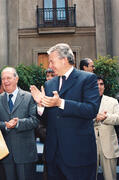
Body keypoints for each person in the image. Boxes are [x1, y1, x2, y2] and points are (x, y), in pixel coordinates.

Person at [30, 43, 100, 180]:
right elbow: (48, 119)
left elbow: (91, 110)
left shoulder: (87, 79)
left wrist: (61, 103)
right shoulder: (49, 84)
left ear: (64, 60)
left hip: (78, 156)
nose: (49, 66)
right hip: (53, 157)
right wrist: (40, 105)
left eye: (51, 61)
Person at [0, 67, 39, 180]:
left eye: (8, 78)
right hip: (5, 154)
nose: (5, 81)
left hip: (25, 153)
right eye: (3, 79)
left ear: (16, 79)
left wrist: (18, 123)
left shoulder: (29, 97)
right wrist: (5, 125)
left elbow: (35, 120)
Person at [94, 76, 119, 180]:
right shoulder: (86, 101)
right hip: (90, 146)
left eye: (101, 84)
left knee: (110, 177)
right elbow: (80, 120)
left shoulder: (112, 101)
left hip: (109, 146)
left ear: (104, 86)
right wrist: (95, 119)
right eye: (96, 84)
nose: (99, 87)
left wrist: (106, 117)